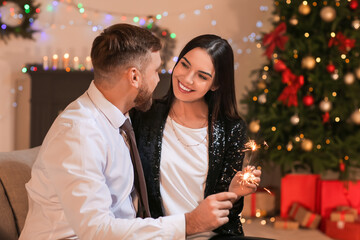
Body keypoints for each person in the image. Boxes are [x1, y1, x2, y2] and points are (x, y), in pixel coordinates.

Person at [19, 25, 238, 240]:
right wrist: (188, 224)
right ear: (134, 77)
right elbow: (97, 232)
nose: (159, 79)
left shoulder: (121, 121)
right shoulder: (80, 133)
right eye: (155, 71)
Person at [130, 34, 262, 239]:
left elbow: (228, 216)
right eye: (184, 65)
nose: (187, 79)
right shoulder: (144, 114)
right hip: (161, 234)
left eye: (202, 76)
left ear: (216, 84)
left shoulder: (231, 129)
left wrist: (234, 192)